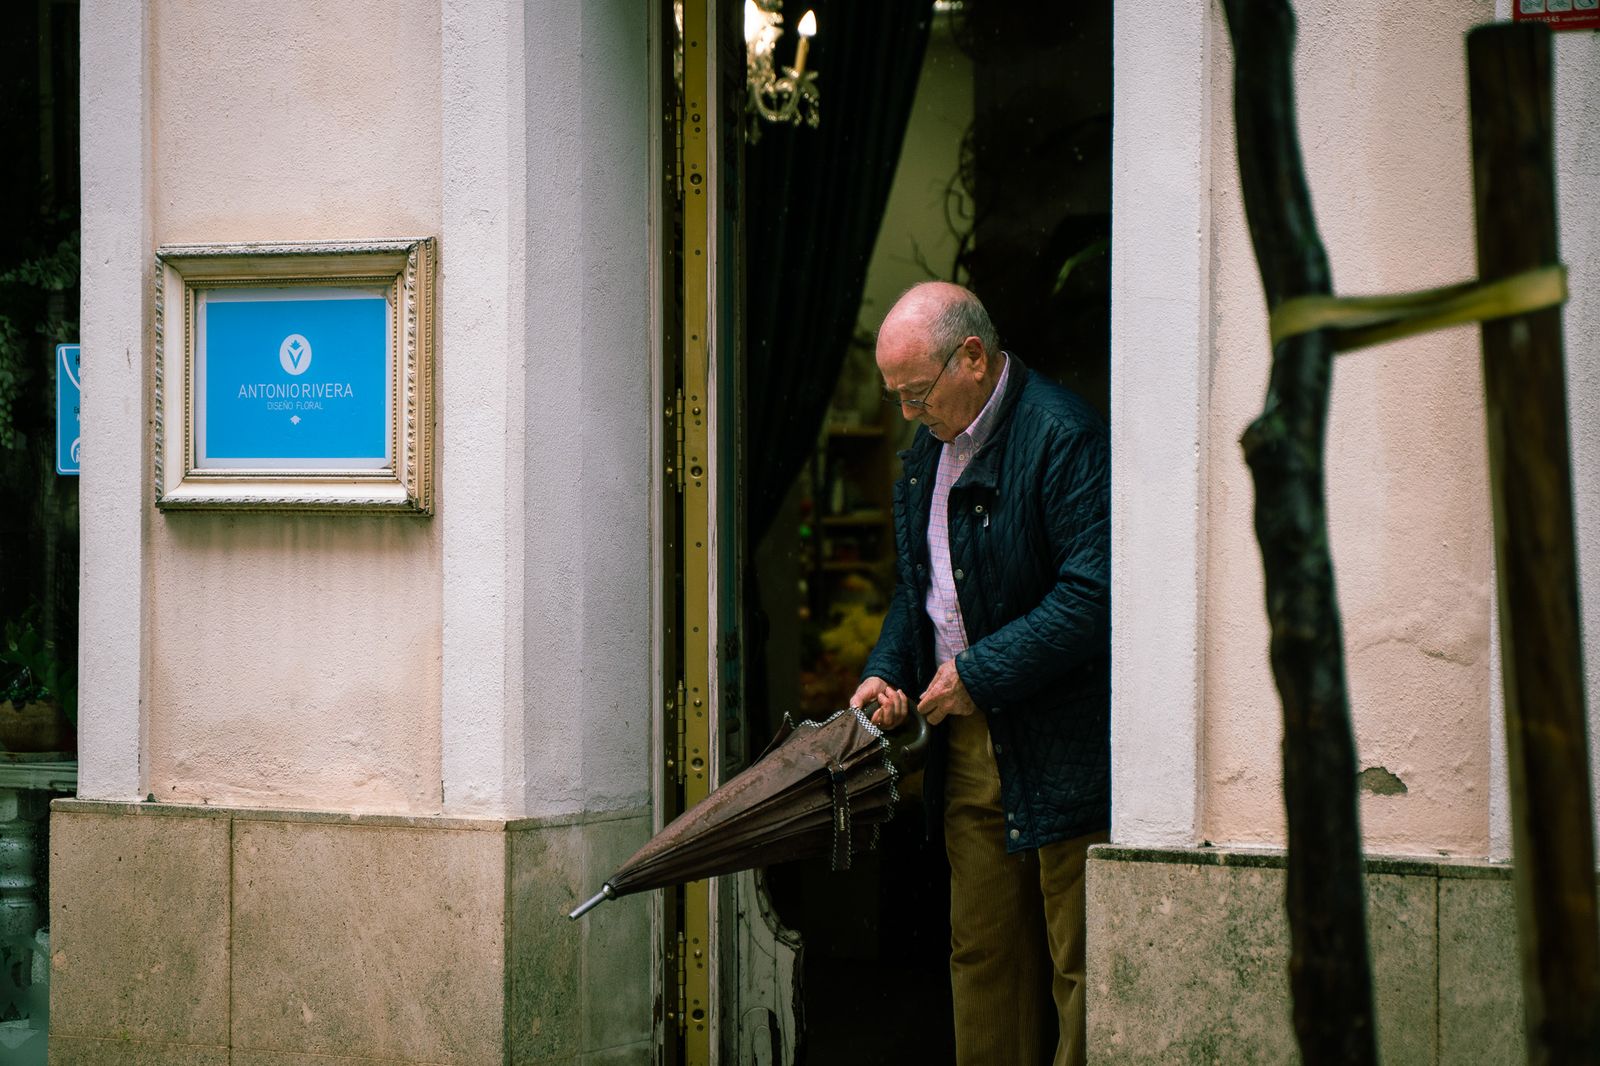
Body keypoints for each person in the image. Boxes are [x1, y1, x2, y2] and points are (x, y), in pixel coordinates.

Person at [850, 282, 1110, 1066]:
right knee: (983, 959)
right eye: (895, 398)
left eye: (916, 394)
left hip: (1064, 746)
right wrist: (888, 672)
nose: (907, 415)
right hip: (968, 749)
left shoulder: (1062, 434)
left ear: (973, 357)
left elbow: (1093, 594)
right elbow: (917, 589)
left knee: (1082, 968)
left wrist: (978, 673)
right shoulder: (926, 451)